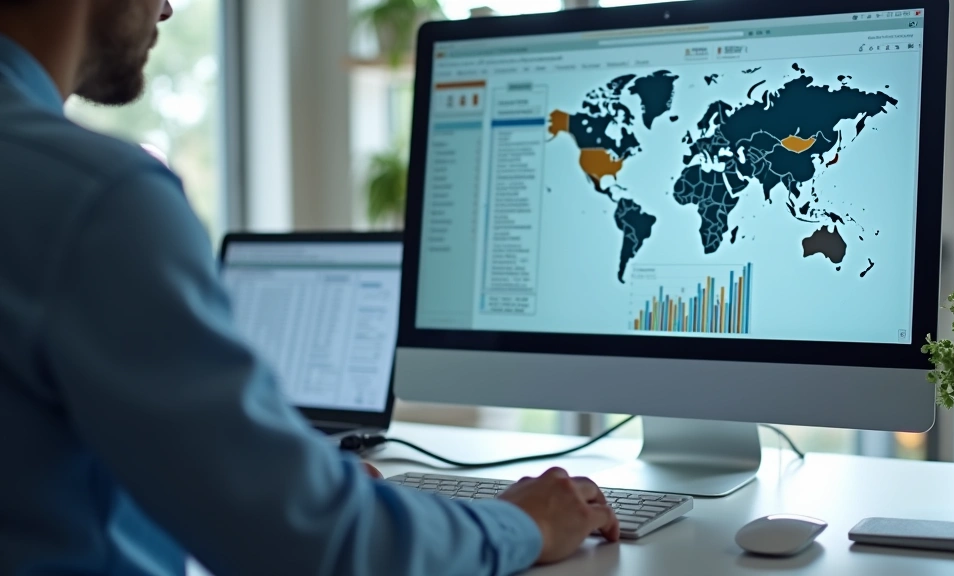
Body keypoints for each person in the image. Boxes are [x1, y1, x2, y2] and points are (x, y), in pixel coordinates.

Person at [0, 1, 620, 575]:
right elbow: (314, 545)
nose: (167, 6)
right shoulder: (99, 200)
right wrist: (523, 522)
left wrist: (283, 479)